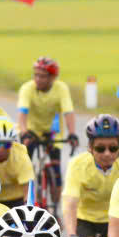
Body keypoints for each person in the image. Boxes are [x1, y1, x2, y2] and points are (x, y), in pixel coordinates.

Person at [17, 56, 77, 209]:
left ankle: (55, 207)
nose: (38, 79)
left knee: (56, 172)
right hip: (31, 131)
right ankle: (26, 201)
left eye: (43, 76)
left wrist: (72, 133)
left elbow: (68, 112)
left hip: (52, 132)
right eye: (36, 75)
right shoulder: (27, 88)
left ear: (52, 77)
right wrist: (24, 132)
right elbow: (22, 114)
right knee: (25, 166)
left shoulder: (61, 88)